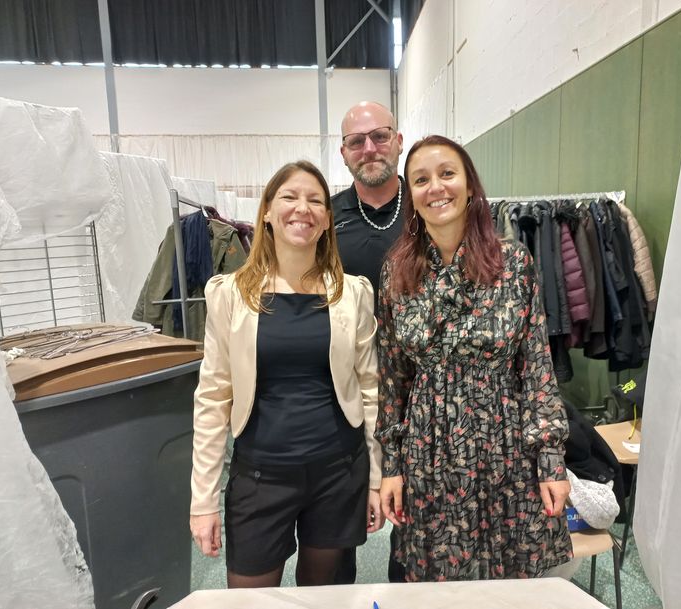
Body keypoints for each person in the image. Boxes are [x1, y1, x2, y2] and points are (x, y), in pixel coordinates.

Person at [376, 135, 572, 581]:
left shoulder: (512, 262)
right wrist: (391, 465)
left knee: (507, 582)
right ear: (411, 195)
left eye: (447, 173)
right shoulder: (397, 270)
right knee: (437, 581)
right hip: (428, 448)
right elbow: (393, 377)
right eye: (421, 179)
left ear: (469, 185)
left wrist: (551, 461)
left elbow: (537, 368)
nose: (436, 187)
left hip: (503, 443)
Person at [189, 161, 384, 588]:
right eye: (290, 197)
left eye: (315, 200)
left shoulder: (352, 293)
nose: (303, 208)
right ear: (266, 212)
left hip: (339, 472)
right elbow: (213, 397)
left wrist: (375, 477)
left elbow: (370, 389)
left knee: (325, 596)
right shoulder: (230, 295)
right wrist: (202, 500)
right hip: (260, 477)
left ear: (327, 219)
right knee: (250, 598)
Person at [332, 101, 406, 584]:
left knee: (414, 508)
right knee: (339, 511)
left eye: (379, 136)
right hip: (344, 383)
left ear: (398, 141)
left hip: (418, 383)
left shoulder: (428, 206)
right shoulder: (325, 216)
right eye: (356, 141)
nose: (369, 148)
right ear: (344, 153)